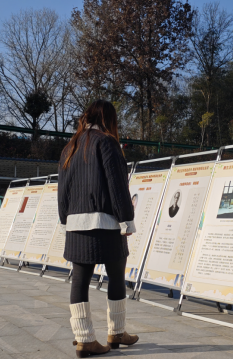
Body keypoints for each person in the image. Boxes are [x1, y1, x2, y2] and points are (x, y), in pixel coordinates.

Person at [58, 100, 139, 358]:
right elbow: (117, 185)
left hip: (76, 224)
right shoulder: (107, 142)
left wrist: (65, 220)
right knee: (116, 276)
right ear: (108, 119)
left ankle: (84, 340)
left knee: (79, 281)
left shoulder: (70, 146)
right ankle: (116, 333)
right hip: (105, 224)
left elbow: (62, 189)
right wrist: (126, 221)